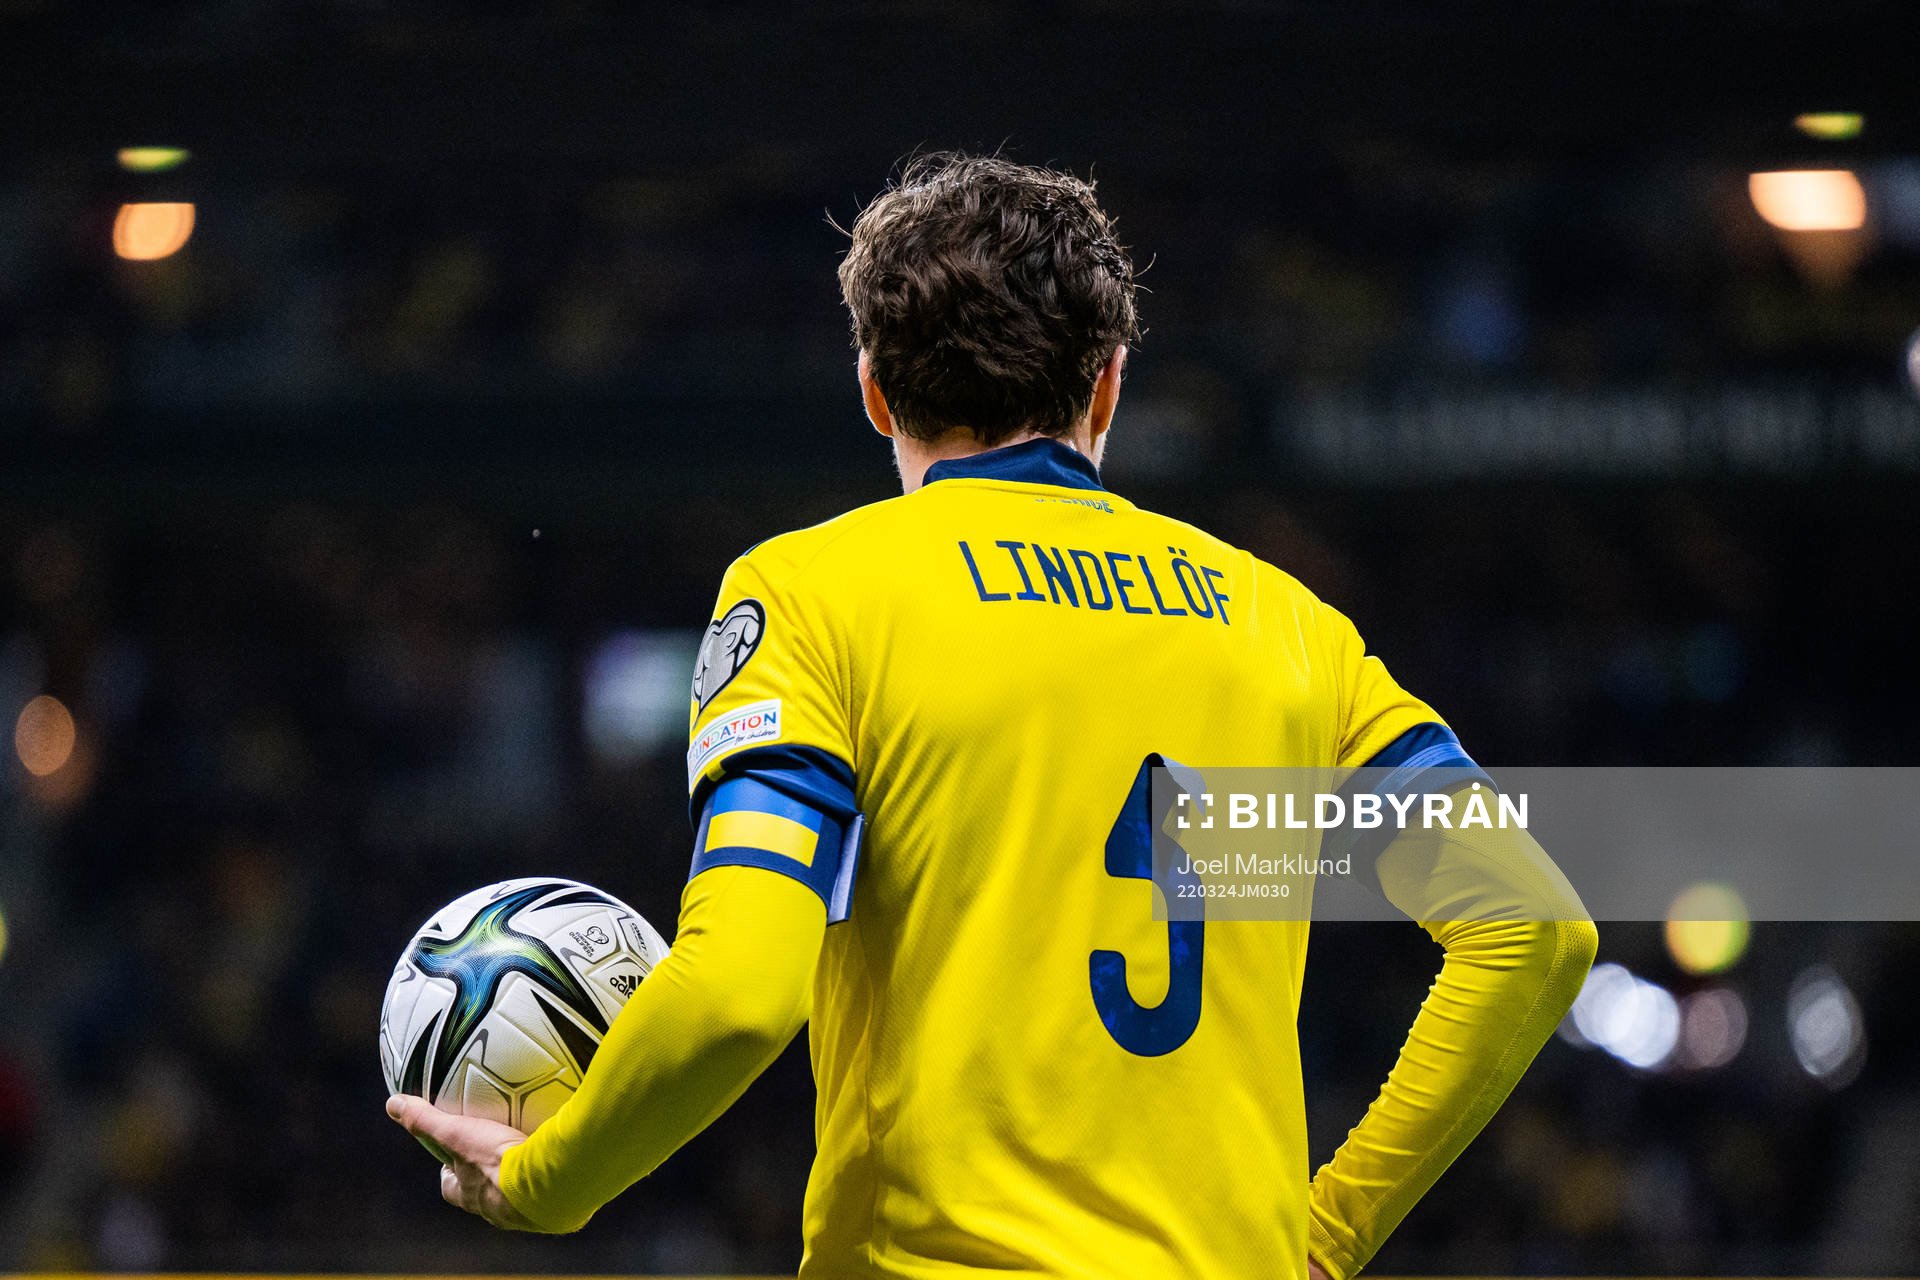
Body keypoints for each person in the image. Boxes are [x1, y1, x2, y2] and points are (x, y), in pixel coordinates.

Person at [386, 153, 1598, 1279]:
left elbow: (741, 991)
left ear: (872, 391)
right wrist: (1325, 1236)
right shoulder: (1290, 622)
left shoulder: (816, 594)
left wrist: (552, 1176)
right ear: (1110, 384)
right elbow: (1535, 928)